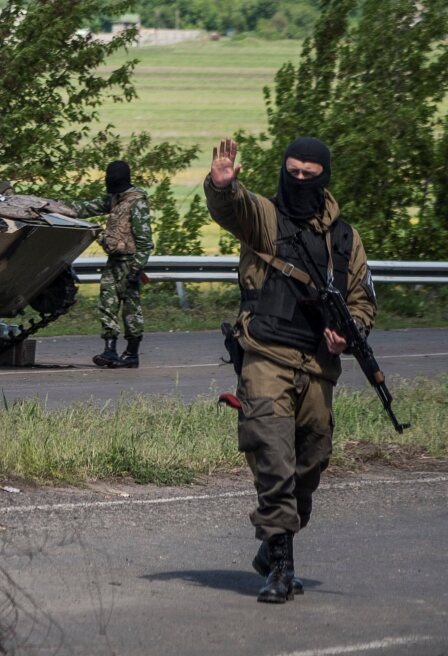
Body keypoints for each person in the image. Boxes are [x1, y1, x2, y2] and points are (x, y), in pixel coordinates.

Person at [204, 137, 376, 603]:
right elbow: (231, 209)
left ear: (324, 178)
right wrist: (221, 186)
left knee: (310, 464)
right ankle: (281, 565)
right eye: (292, 172)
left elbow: (362, 300)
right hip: (266, 356)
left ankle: (273, 543)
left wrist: (350, 330)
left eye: (309, 175)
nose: (299, 181)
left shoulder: (345, 239)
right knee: (273, 459)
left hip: (318, 367)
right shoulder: (264, 216)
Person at [61, 160, 153, 367]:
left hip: (130, 263)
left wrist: (136, 268)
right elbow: (87, 207)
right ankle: (109, 350)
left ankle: (131, 354)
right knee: (107, 304)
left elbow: (145, 242)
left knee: (131, 310)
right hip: (114, 261)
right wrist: (59, 208)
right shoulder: (115, 199)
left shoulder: (136, 202)